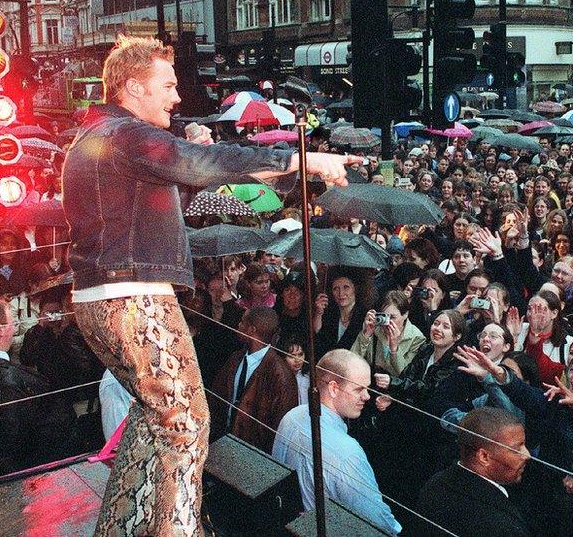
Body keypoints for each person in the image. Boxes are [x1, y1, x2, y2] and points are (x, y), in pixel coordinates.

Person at [63, 36, 356, 535]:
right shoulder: (127, 136)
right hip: (131, 297)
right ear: (133, 86)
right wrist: (299, 159)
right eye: (168, 85)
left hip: (104, 297)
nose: (177, 98)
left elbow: (179, 179)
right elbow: (196, 166)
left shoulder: (103, 136)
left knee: (152, 422)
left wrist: (194, 160)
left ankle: (120, 526)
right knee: (187, 425)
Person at [272, 349, 401, 535]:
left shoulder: (291, 417)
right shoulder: (349, 454)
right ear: (333, 388)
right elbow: (378, 523)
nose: (367, 396)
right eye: (359, 389)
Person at [0, 300, 79, 483]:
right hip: (21, 482)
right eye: (13, 322)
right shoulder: (16, 383)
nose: (16, 326)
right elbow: (19, 446)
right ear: (0, 329)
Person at [416, 407, 534, 537]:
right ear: (484, 457)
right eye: (516, 449)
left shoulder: (436, 483)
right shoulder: (499, 525)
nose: (527, 455)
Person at [208, 307, 299, 453]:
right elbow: (216, 400)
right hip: (221, 444)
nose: (238, 325)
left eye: (242, 322)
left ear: (251, 330)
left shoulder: (281, 376)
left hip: (253, 455)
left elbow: (281, 429)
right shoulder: (235, 358)